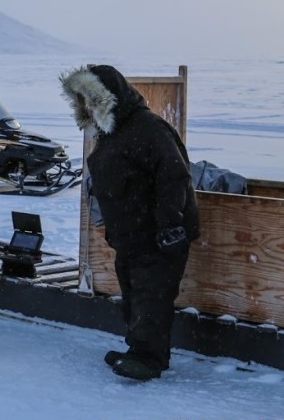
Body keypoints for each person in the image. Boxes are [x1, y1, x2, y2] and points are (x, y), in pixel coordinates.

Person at [60, 64, 200, 380]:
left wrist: (170, 225)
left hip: (159, 234)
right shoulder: (110, 133)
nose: (89, 106)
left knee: (152, 297)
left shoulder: (149, 128)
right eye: (84, 101)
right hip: (131, 234)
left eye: (93, 99)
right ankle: (137, 349)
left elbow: (173, 176)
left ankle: (149, 359)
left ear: (110, 97)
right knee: (134, 295)